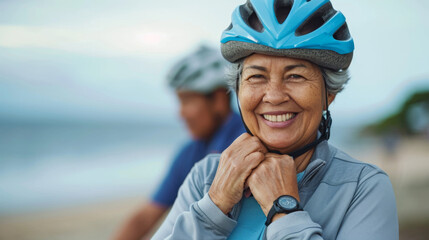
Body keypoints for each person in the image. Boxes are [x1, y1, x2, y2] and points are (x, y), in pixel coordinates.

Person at [152, 0, 399, 239]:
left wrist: (283, 209)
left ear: (329, 93)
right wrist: (214, 207)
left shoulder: (363, 188)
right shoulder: (205, 177)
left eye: (295, 76)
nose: (274, 96)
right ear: (238, 90)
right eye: (257, 77)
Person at [113, 45, 245, 240]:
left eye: (187, 100)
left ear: (218, 99)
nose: (181, 113)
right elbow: (146, 216)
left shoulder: (245, 141)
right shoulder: (191, 151)